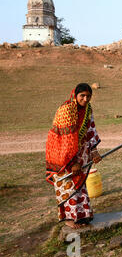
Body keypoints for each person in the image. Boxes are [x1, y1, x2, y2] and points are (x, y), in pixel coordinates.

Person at [45, 83, 102, 229]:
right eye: (82, 95)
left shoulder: (88, 109)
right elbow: (67, 139)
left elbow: (91, 130)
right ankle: (69, 218)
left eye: (88, 96)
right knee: (67, 185)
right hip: (62, 153)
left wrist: (94, 151)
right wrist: (73, 162)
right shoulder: (66, 110)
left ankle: (82, 215)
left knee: (79, 184)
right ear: (75, 95)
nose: (85, 99)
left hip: (80, 152)